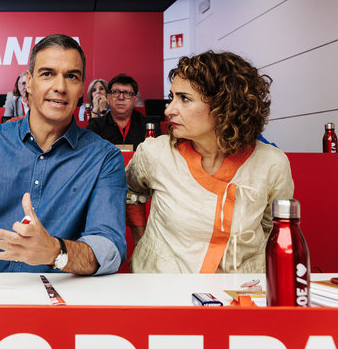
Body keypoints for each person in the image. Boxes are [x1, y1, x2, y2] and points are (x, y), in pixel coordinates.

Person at [0, 34, 127, 275]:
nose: (60, 87)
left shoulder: (104, 158)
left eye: (71, 76)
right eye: (47, 74)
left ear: (82, 87)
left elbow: (109, 247)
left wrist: (55, 251)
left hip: (63, 300)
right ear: (28, 82)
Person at [126, 51, 294, 273]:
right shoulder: (155, 153)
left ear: (224, 106)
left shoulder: (271, 164)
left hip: (240, 294)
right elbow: (131, 192)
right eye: (172, 97)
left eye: (184, 99)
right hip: (164, 290)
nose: (168, 110)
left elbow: (274, 229)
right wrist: (142, 242)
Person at [86, 74, 158, 150]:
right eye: (115, 92)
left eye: (127, 93)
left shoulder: (150, 126)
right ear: (108, 98)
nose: (121, 98)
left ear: (135, 100)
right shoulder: (95, 127)